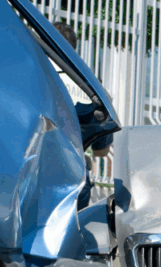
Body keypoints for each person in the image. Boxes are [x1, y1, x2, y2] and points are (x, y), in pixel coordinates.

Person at [52, 22, 113, 208]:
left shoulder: (32, 74)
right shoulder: (91, 88)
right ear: (74, 49)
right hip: (75, 178)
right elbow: (101, 151)